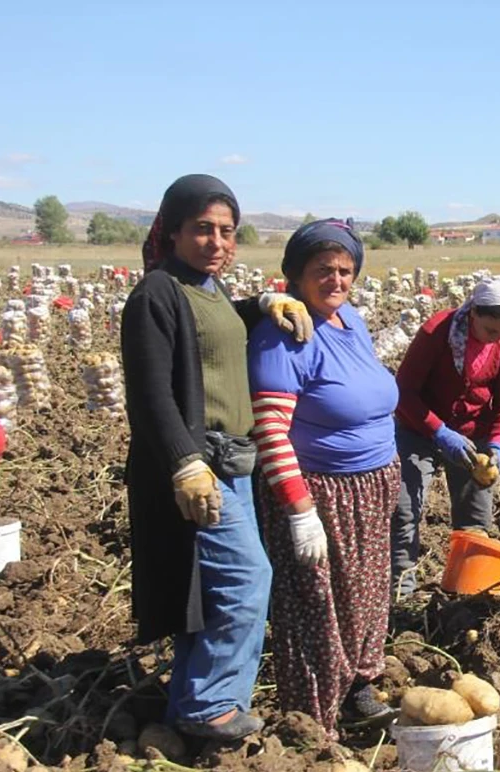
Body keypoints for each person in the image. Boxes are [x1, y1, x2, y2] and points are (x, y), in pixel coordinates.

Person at [121, 174, 312, 741]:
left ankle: (198, 699)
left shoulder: (206, 290)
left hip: (232, 463)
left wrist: (263, 304)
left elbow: (218, 327)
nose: (217, 242)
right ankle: (210, 707)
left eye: (227, 231)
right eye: (202, 229)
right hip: (200, 466)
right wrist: (184, 461)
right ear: (173, 231)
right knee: (246, 580)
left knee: (210, 589)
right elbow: (150, 393)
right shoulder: (156, 293)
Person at [247, 219, 400, 734]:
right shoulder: (283, 333)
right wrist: (299, 507)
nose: (336, 280)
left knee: (364, 599)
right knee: (315, 609)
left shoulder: (349, 320)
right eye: (323, 270)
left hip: (370, 486)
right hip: (321, 494)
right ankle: (312, 720)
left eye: (345, 270)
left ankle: (357, 689)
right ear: (293, 274)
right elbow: (270, 430)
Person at [391, 277, 500, 595]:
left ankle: (466, 591)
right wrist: (439, 432)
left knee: (475, 518)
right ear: (473, 313)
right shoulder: (437, 333)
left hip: (472, 432)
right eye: (491, 331)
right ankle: (400, 592)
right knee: (405, 510)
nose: (496, 339)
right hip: (419, 427)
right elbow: (403, 391)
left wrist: (497, 445)